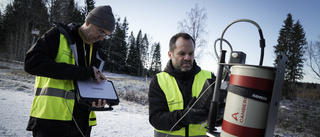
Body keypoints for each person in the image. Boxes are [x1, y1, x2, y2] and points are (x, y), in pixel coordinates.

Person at [24, 5, 115, 137]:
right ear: (88, 22)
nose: (101, 38)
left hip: (82, 124)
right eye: (101, 31)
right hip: (50, 121)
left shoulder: (98, 53)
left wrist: (96, 101)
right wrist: (84, 72)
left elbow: (88, 84)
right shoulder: (58, 35)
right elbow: (31, 63)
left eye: (106, 36)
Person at [148, 33, 225, 137]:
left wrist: (219, 116)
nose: (187, 58)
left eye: (191, 53)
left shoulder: (209, 77)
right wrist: (184, 117)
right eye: (182, 53)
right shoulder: (159, 81)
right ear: (170, 54)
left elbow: (221, 116)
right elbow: (156, 119)